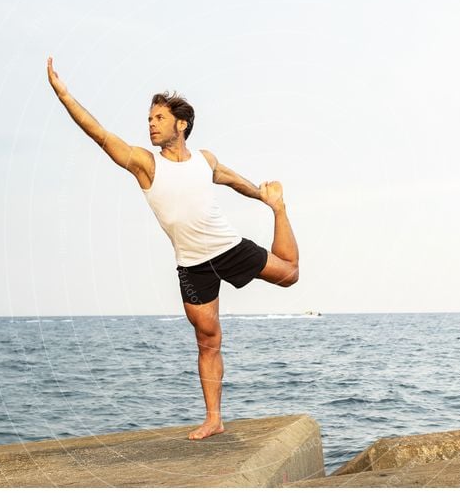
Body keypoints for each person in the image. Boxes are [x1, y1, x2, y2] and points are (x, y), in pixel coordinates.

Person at [46, 58, 299, 440]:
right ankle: (214, 418)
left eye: (159, 118)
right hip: (193, 266)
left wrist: (266, 198)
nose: (151, 124)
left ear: (181, 124)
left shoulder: (204, 160)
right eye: (150, 118)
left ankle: (282, 210)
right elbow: (100, 134)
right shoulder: (146, 165)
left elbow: (231, 180)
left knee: (290, 274)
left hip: (228, 247)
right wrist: (64, 94)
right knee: (208, 339)